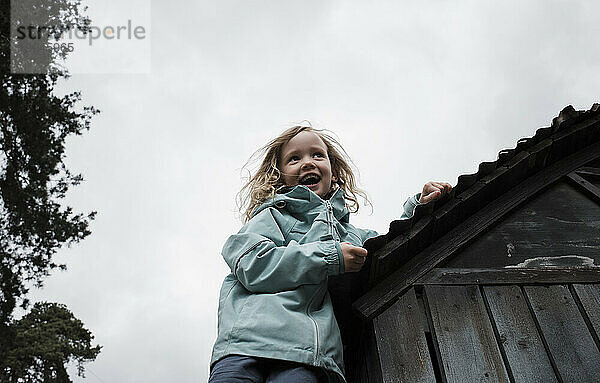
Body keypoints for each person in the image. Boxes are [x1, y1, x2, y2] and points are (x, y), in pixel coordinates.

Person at [208, 126, 452, 383]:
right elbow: (253, 263)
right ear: (280, 177)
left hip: (308, 356)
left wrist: (421, 205)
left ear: (333, 172)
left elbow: (393, 246)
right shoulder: (271, 216)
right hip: (246, 346)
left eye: (317, 155)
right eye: (295, 158)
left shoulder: (350, 235)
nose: (307, 163)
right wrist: (329, 257)